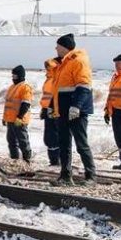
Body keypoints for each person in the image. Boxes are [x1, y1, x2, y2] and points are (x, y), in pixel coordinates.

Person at [52, 33, 95, 185]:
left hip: (76, 111)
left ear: (64, 47)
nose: (56, 48)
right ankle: (65, 175)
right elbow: (59, 90)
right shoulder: (64, 64)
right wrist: (53, 108)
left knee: (81, 143)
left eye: (58, 46)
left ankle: (91, 176)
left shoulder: (78, 61)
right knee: (64, 144)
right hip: (63, 110)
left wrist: (76, 106)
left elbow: (84, 86)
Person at [3, 65, 33, 162]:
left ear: (20, 76)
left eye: (15, 76)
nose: (13, 78)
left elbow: (26, 104)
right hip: (10, 120)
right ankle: (14, 159)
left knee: (23, 141)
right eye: (12, 76)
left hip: (19, 120)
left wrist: (19, 117)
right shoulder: (12, 87)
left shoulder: (25, 87)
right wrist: (4, 118)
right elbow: (8, 104)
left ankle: (27, 159)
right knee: (11, 141)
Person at [39, 58, 61, 166]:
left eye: (48, 68)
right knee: (48, 137)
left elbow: (56, 96)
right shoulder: (48, 80)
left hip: (55, 111)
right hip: (48, 110)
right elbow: (46, 97)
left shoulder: (57, 79)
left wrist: (52, 109)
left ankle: (57, 160)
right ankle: (53, 160)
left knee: (54, 137)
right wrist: (44, 109)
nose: (46, 70)